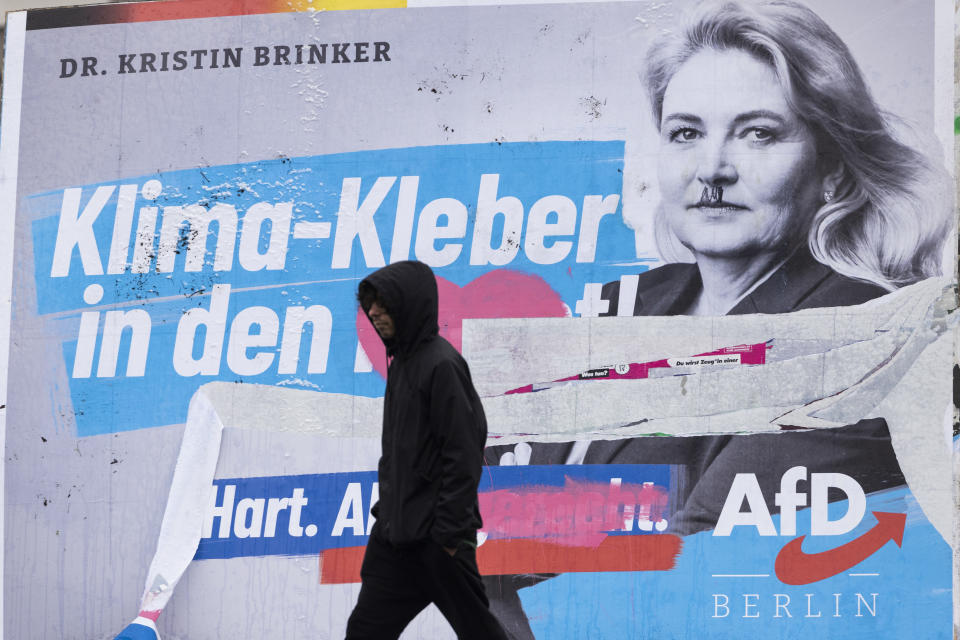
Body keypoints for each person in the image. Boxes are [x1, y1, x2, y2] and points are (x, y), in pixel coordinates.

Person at [484, 1, 950, 636]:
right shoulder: (625, 305)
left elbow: (678, 592)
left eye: (758, 133)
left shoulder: (860, 339)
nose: (712, 169)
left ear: (832, 173)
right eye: (686, 133)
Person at [345, 260, 508, 640]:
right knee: (365, 631)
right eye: (370, 305)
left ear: (409, 305)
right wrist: (387, 516)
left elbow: (464, 452)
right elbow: (399, 456)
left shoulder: (442, 365)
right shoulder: (401, 364)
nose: (373, 312)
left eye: (383, 304)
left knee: (480, 633)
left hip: (438, 543)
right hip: (395, 541)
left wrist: (448, 536)